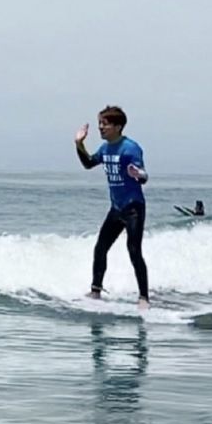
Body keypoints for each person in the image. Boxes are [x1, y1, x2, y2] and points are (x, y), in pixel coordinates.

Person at [74, 105, 150, 309]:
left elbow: (144, 176)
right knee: (100, 248)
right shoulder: (105, 149)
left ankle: (144, 298)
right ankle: (95, 291)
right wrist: (78, 143)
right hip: (116, 209)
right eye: (100, 123)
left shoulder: (130, 148)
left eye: (105, 124)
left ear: (118, 126)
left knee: (134, 250)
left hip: (133, 208)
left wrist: (138, 174)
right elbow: (88, 163)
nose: (100, 127)